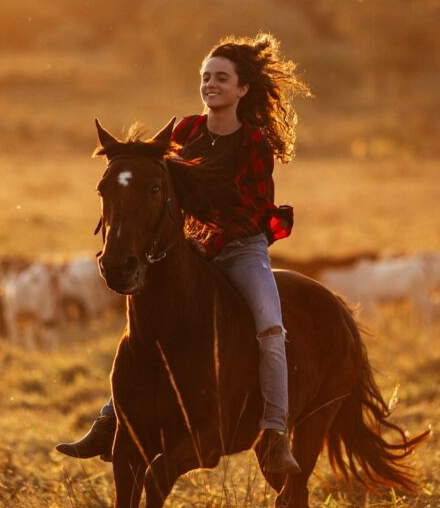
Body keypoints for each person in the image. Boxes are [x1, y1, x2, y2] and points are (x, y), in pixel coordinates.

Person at [56, 33, 311, 474]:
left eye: (221, 78)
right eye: (205, 77)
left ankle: (273, 434)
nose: (211, 84)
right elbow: (161, 189)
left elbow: (253, 209)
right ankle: (111, 418)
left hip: (240, 248)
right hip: (188, 245)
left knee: (270, 329)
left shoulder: (253, 144)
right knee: (147, 328)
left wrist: (210, 239)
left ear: (242, 89)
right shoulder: (185, 131)